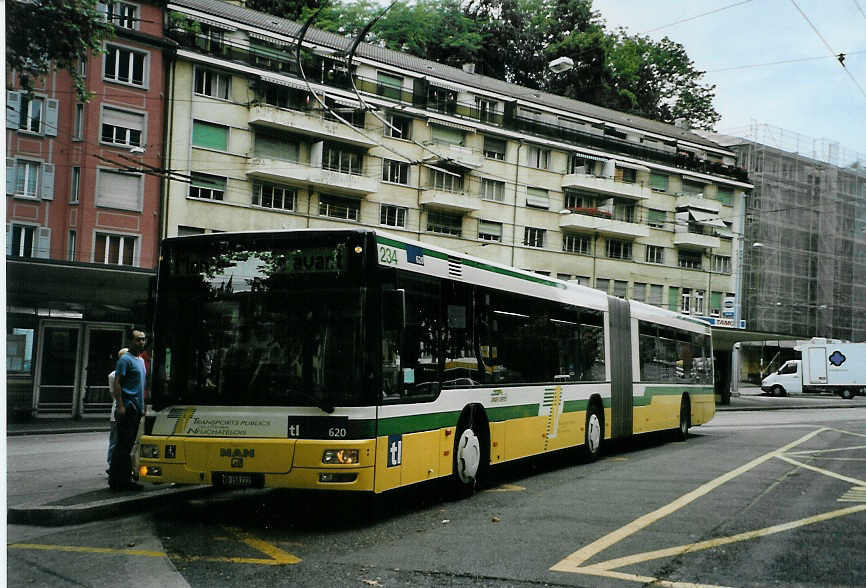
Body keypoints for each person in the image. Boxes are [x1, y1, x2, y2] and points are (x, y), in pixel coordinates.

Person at [108, 329, 147, 491]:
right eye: (138, 340)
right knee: (123, 445)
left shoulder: (141, 360)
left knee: (129, 444)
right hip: (128, 408)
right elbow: (118, 382)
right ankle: (118, 481)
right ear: (131, 341)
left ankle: (123, 478)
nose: (141, 343)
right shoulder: (125, 360)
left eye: (143, 340)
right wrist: (121, 405)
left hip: (137, 408)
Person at [106, 347, 129, 470]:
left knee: (117, 441)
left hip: (122, 410)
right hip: (119, 411)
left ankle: (115, 465)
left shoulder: (114, 375)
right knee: (115, 440)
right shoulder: (114, 375)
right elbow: (114, 394)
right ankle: (111, 465)